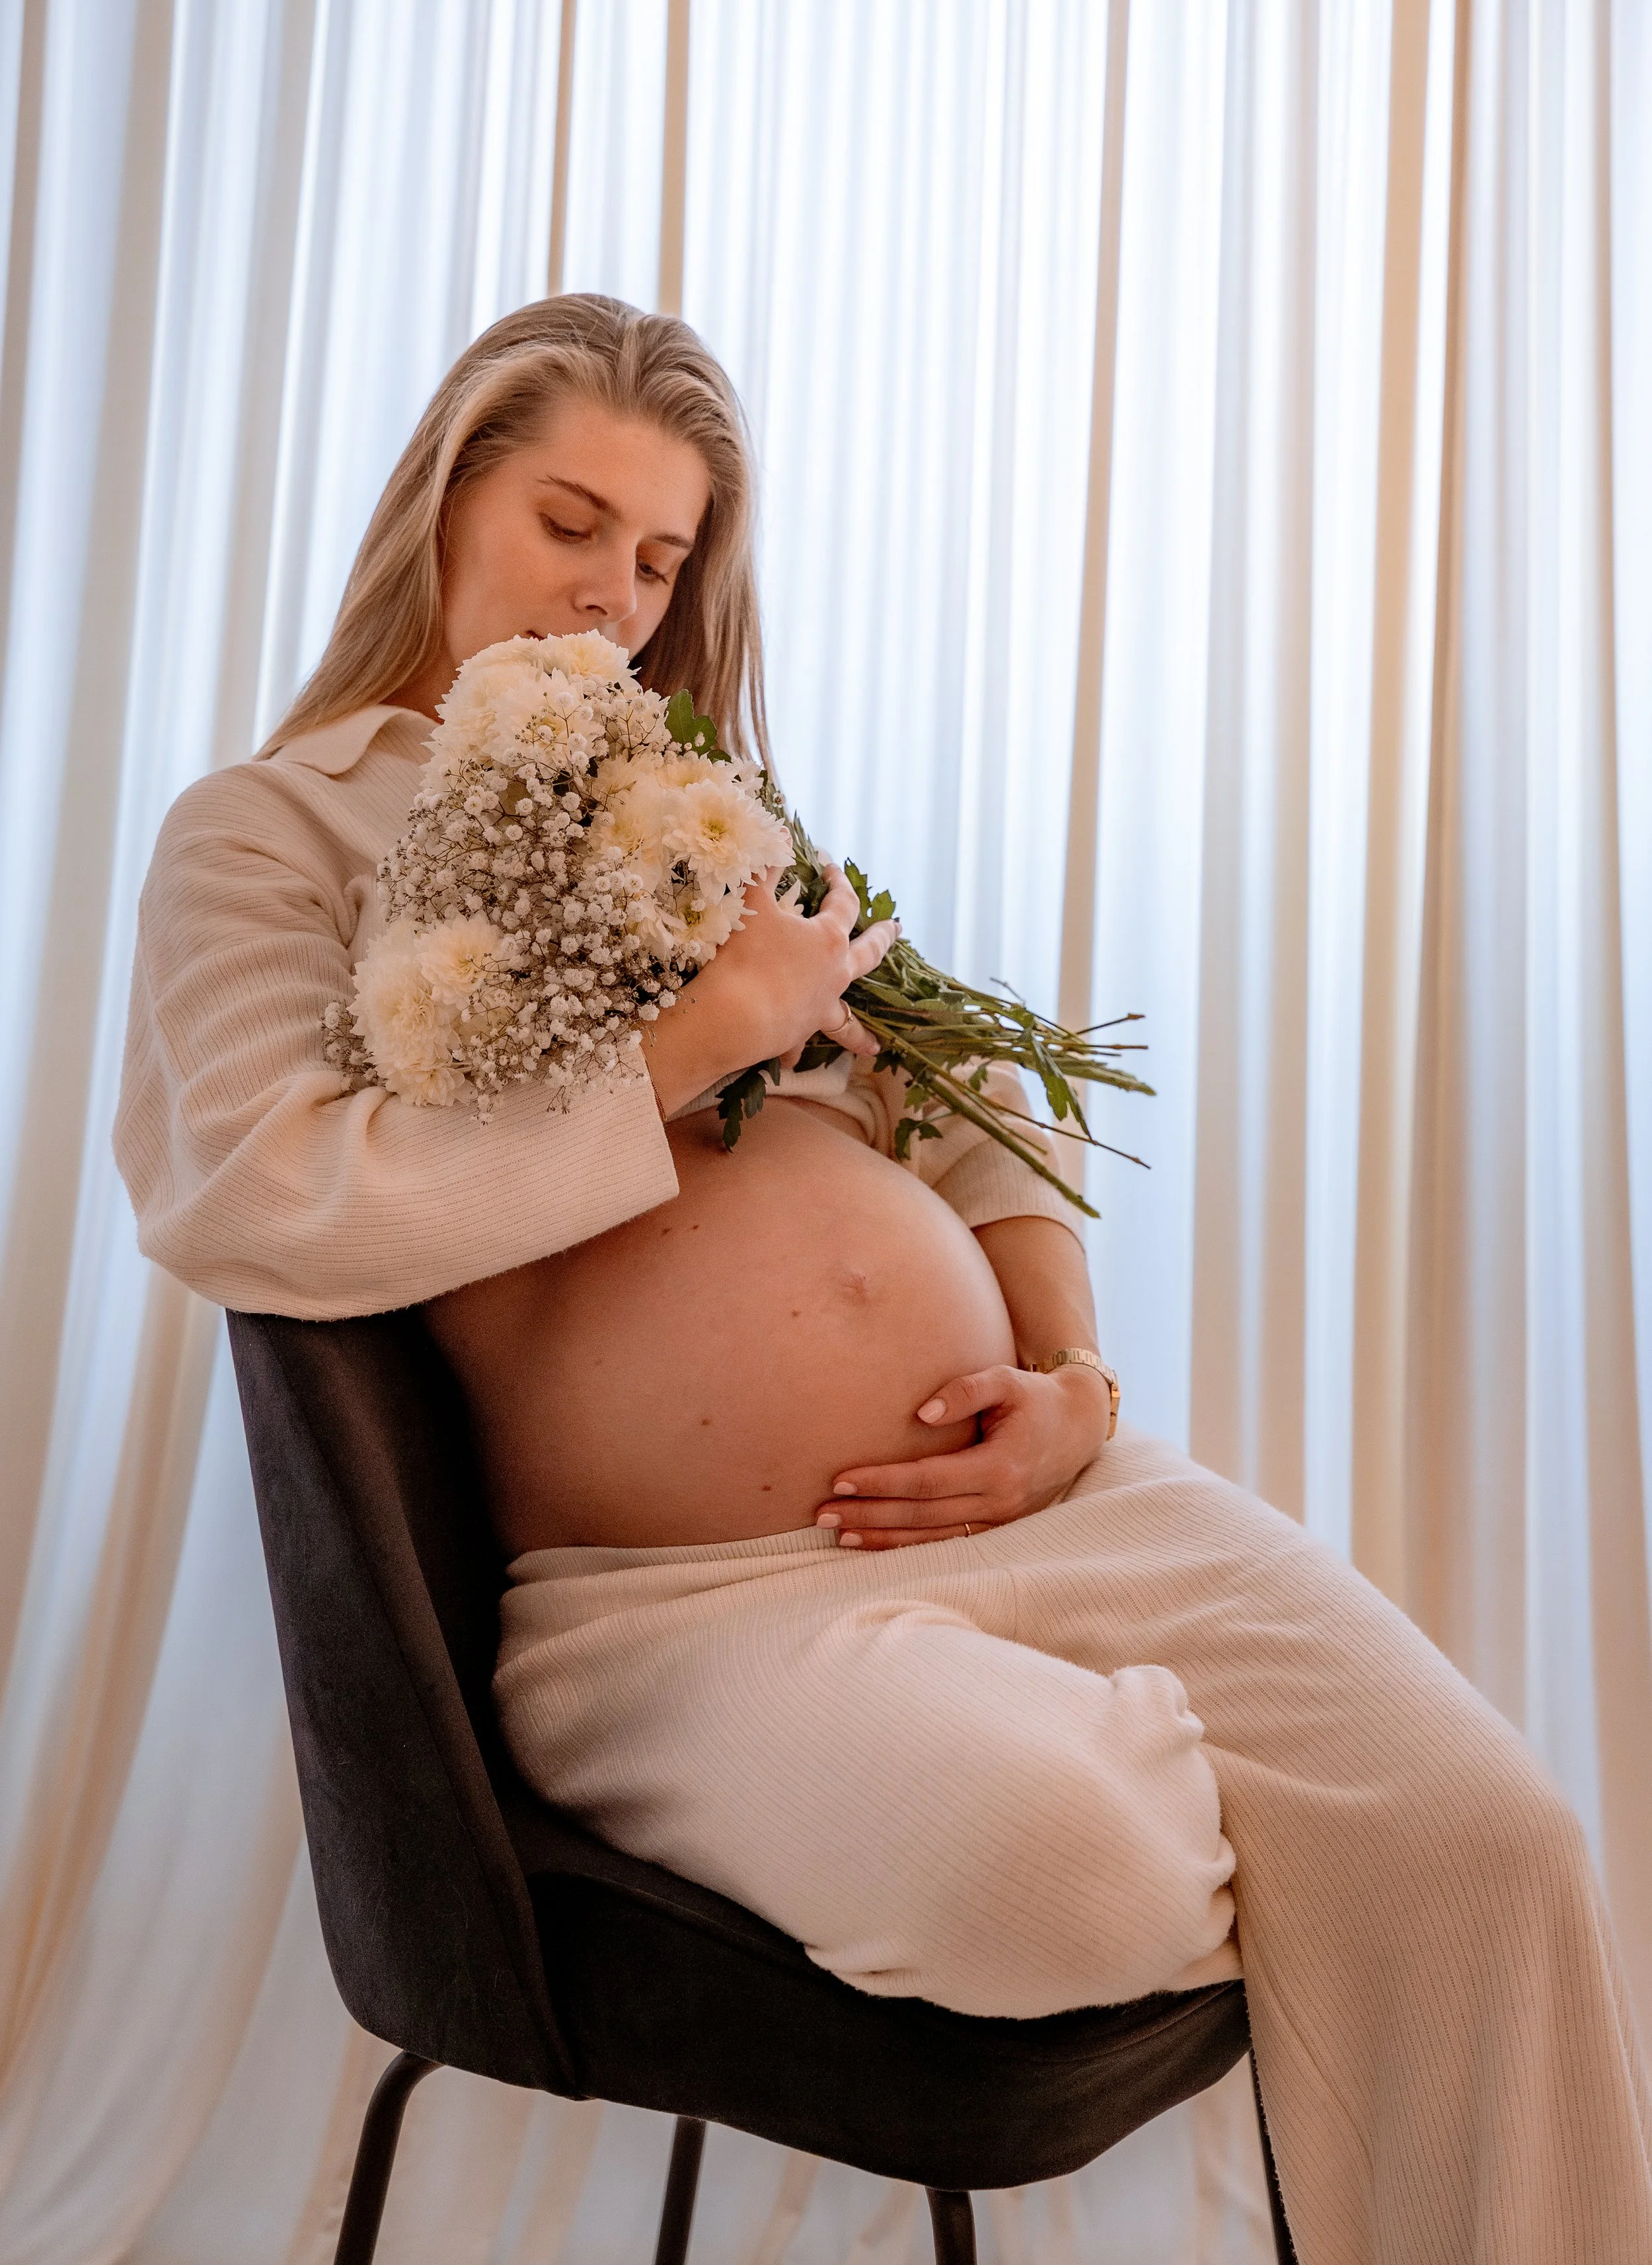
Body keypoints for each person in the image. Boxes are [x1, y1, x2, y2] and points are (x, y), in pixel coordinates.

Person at [116, 295, 1652, 2264]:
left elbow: (973, 1094)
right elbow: (262, 1192)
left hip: (1044, 1498)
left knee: (1491, 1844)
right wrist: (697, 1038)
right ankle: (1103, 1763)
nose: (612, 598)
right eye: (569, 523)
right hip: (684, 1600)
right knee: (1061, 1872)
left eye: (660, 559)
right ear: (442, 503)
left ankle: (1113, 1730)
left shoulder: (711, 815)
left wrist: (1070, 1387)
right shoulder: (271, 830)